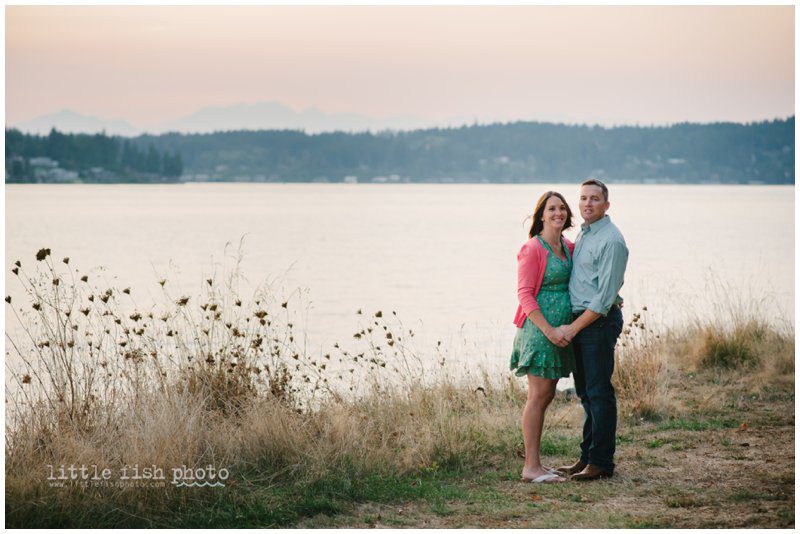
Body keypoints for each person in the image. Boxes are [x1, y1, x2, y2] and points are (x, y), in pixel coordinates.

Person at [556, 179, 628, 481]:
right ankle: (586, 458)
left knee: (599, 393)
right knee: (586, 393)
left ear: (606, 205)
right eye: (583, 198)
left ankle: (601, 463)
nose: (588, 204)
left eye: (595, 199)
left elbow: (604, 298)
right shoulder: (586, 234)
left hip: (596, 323)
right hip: (584, 322)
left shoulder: (611, 240)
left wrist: (573, 328)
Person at [510, 191, 577, 484]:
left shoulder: (567, 246)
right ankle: (531, 467)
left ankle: (537, 465)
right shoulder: (532, 248)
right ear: (541, 215)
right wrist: (549, 330)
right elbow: (524, 294)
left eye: (562, 208)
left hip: (562, 331)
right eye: (552, 208)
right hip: (539, 331)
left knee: (547, 395)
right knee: (538, 396)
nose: (558, 213)